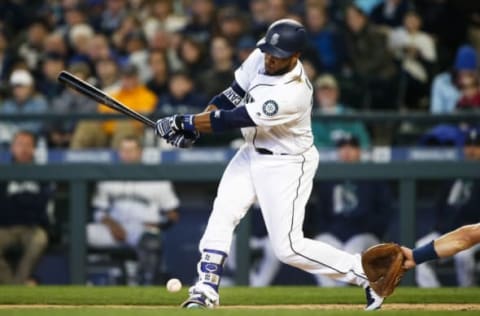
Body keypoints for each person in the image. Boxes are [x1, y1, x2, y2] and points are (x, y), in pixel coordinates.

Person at [154, 19, 384, 310]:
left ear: (296, 56)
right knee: (223, 212)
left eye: (279, 54)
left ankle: (366, 273)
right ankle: (205, 290)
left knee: (288, 248)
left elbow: (234, 118)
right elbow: (229, 97)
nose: (270, 58)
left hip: (287, 163)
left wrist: (182, 122)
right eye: (269, 50)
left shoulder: (294, 92)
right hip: (251, 151)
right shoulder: (262, 55)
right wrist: (195, 129)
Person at [87, 136, 180, 285]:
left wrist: (158, 224)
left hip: (141, 228)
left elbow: (173, 214)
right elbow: (98, 210)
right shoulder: (108, 177)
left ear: (140, 152)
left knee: (150, 240)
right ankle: (83, 281)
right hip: (113, 229)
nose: (127, 154)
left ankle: (146, 283)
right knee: (83, 233)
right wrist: (112, 225)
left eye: (131, 150)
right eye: (124, 150)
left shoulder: (157, 177)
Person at [310, 134, 392, 287]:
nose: (347, 151)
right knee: (317, 249)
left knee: (348, 252)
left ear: (359, 151)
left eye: (352, 147)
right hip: (335, 233)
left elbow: (384, 213)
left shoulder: (373, 176)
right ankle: (330, 295)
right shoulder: (329, 178)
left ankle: (336, 300)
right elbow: (321, 214)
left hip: (364, 235)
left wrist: (370, 228)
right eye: (343, 147)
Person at [411, 128, 480, 287]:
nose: (472, 149)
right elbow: (440, 205)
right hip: (449, 231)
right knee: (418, 251)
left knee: (463, 255)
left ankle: (467, 294)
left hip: (475, 234)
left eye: (477, 145)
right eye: (469, 144)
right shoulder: (455, 172)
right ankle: (434, 299)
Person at [0, 131, 53, 284]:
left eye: (28, 145)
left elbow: (42, 205)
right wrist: (27, 199)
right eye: (19, 144)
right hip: (5, 228)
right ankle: (16, 286)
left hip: (33, 228)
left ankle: (15, 287)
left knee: (39, 240)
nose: (23, 149)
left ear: (34, 149)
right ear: (12, 148)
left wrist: (15, 200)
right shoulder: (3, 173)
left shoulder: (44, 174)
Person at [311, 74, 370, 148]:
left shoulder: (350, 114)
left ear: (337, 92)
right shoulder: (311, 118)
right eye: (322, 91)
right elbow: (311, 147)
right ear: (317, 94)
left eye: (330, 90)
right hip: (322, 159)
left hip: (352, 159)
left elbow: (364, 142)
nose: (326, 94)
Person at [430, 45, 477, 114]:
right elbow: (436, 113)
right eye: (461, 74)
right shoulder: (441, 81)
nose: (464, 78)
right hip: (447, 121)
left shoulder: (476, 85)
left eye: (469, 74)